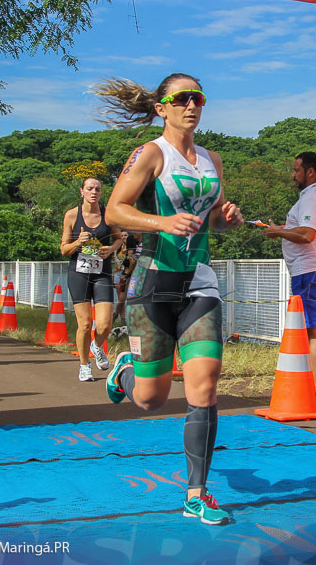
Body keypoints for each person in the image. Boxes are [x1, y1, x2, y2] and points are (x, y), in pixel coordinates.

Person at [98, 73, 243, 525]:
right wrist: (161, 223)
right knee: (150, 400)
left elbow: (212, 219)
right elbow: (114, 210)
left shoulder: (212, 159)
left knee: (205, 382)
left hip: (199, 281)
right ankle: (126, 372)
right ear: (162, 107)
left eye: (198, 97)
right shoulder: (149, 154)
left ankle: (196, 493)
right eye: (181, 98)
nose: (191, 105)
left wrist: (227, 217)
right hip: (153, 284)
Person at [264, 151, 316, 408]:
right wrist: (280, 230)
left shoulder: (313, 196)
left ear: (310, 172)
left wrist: (278, 232)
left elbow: (307, 233)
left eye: (296, 170)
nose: (293, 175)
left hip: (312, 269)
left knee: (314, 330)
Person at [60, 177, 122, 382]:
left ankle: (97, 346)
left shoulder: (108, 215)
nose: (94, 192)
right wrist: (78, 241)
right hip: (79, 273)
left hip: (102, 273)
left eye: (97, 189)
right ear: (82, 191)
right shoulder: (71, 215)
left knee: (104, 325)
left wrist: (111, 249)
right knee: (85, 324)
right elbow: (64, 249)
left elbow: (119, 238)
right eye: (89, 188)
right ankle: (84, 365)